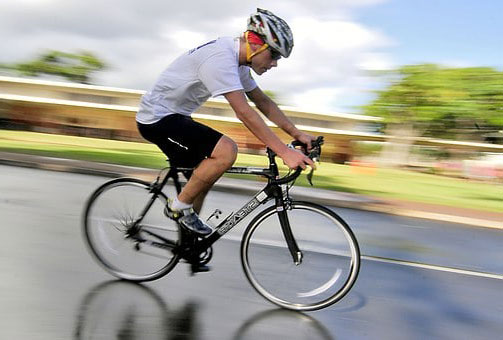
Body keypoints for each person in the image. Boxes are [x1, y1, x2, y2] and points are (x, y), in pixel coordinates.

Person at [136, 8, 315, 239]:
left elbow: (262, 101)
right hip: (157, 119)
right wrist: (283, 152)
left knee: (203, 179)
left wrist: (297, 133)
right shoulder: (220, 59)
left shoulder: (238, 64)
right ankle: (177, 207)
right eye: (274, 55)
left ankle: (189, 244)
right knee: (226, 151)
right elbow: (244, 112)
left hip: (176, 116)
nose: (275, 64)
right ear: (254, 43)